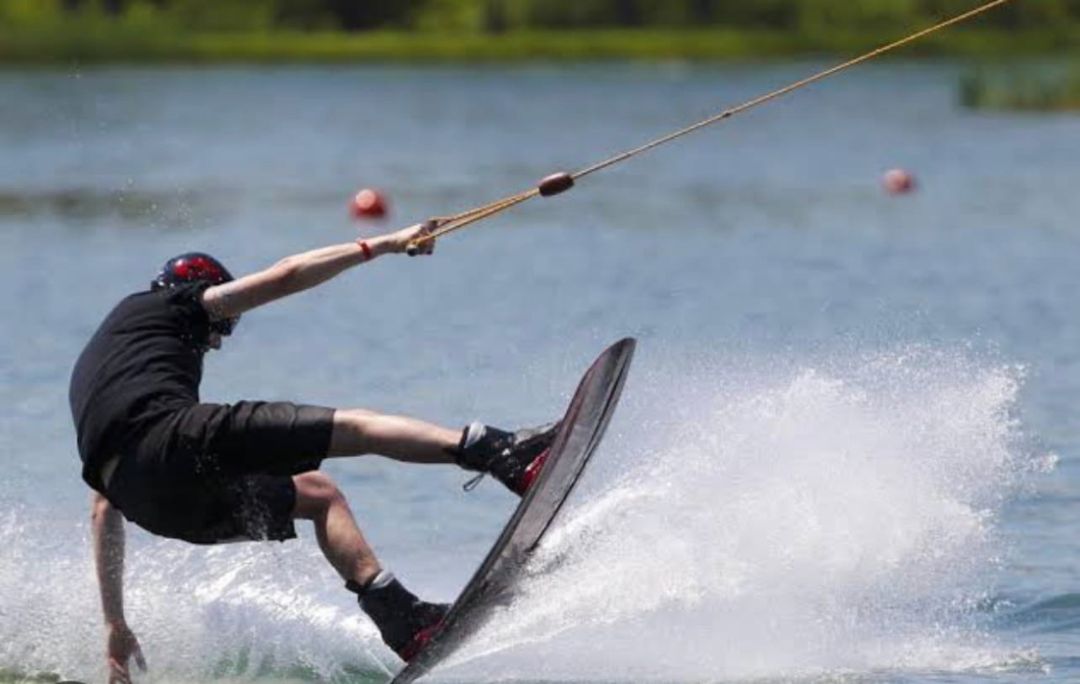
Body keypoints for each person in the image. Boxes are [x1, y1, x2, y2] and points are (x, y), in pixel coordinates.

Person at [69, 222, 558, 684]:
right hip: (176, 440)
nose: (215, 341)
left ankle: (403, 621)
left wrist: (115, 621)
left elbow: (102, 509)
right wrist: (385, 243)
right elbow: (286, 275)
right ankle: (501, 454)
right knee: (357, 427)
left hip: (153, 505)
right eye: (222, 327)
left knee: (318, 495)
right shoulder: (172, 305)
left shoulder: (109, 364)